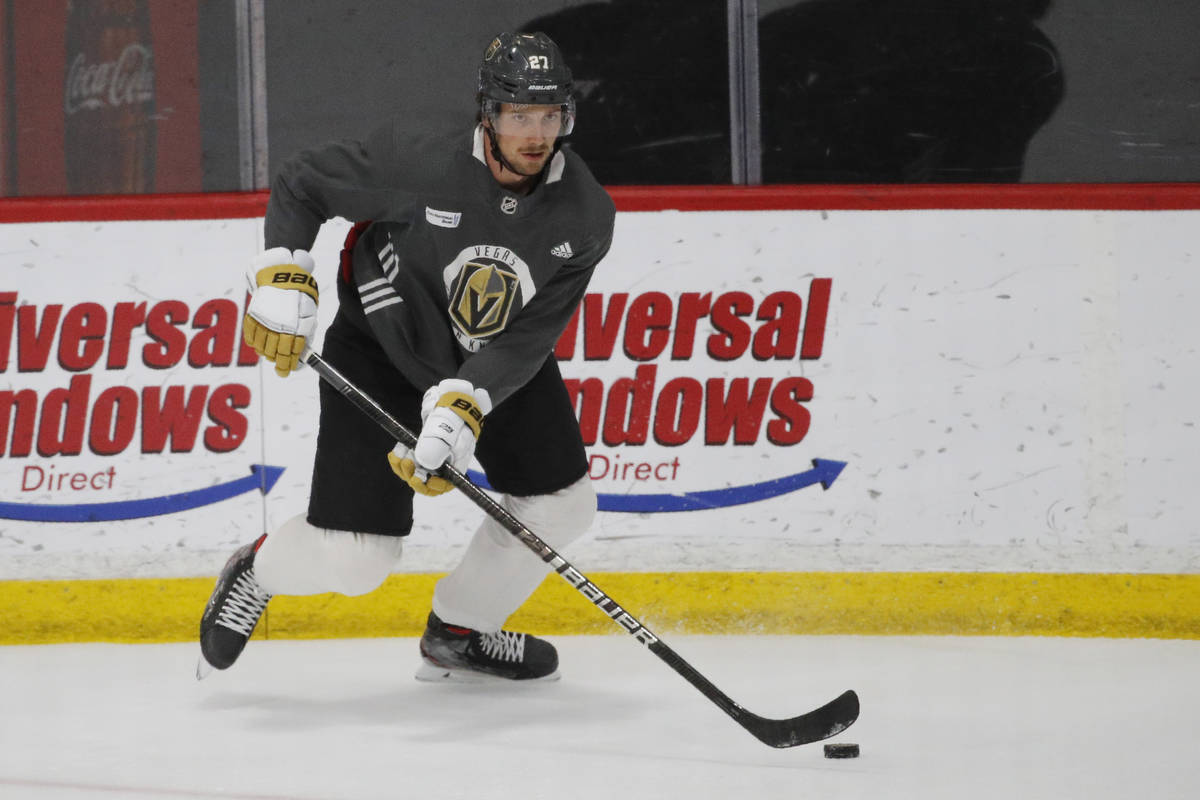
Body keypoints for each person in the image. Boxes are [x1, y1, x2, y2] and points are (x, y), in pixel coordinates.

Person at [199, 32, 615, 682]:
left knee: (564, 504)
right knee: (359, 559)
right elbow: (303, 184)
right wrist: (284, 270)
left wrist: (465, 403)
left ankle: (460, 630)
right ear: (488, 113)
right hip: (384, 348)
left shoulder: (584, 215)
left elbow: (530, 335)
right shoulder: (422, 160)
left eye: (548, 116)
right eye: (518, 115)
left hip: (493, 355)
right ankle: (256, 569)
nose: (534, 134)